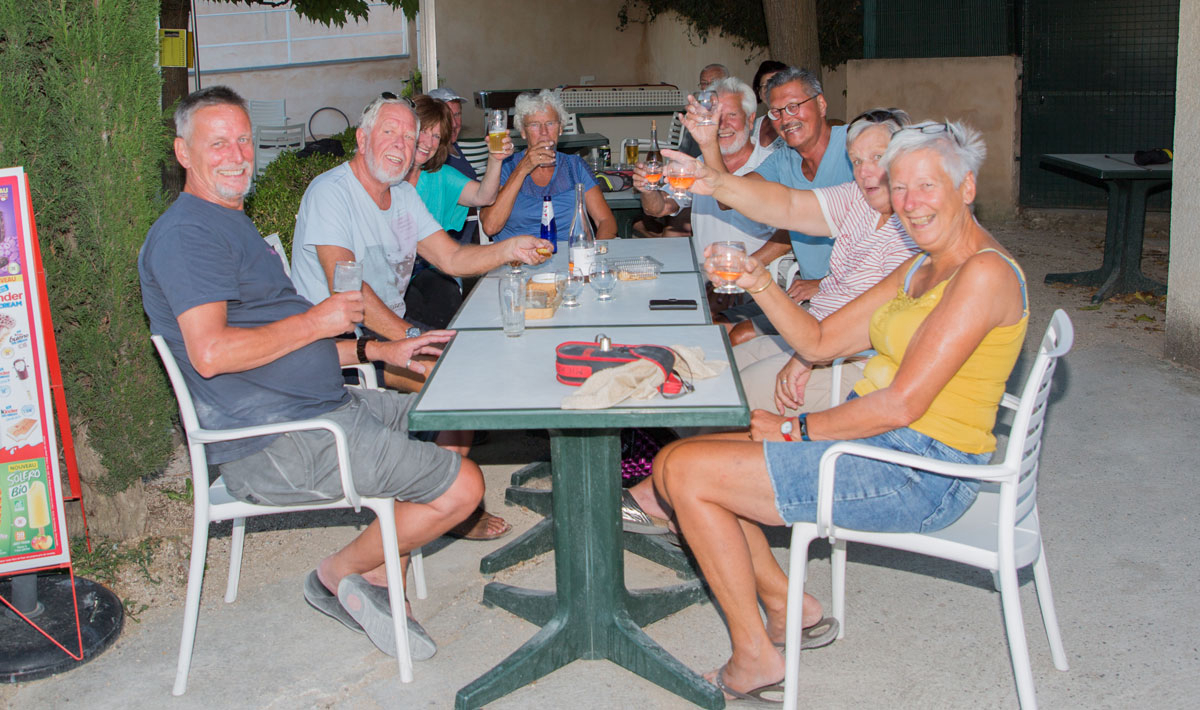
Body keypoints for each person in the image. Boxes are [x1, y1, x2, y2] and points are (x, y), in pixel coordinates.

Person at [655, 120, 1028, 701]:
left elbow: (903, 404)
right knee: (677, 459)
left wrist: (793, 428)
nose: (910, 203)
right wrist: (758, 280)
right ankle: (785, 609)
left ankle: (755, 656)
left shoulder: (982, 274)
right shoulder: (921, 265)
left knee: (685, 472)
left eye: (927, 187)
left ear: (968, 188)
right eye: (899, 188)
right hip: (881, 447)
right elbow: (822, 342)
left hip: (919, 471)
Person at [139, 86, 489, 660]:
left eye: (245, 141)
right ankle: (337, 575)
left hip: (324, 406)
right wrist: (318, 320)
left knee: (450, 414)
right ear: (183, 153)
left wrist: (379, 354)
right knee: (464, 486)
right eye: (218, 143)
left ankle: (380, 574)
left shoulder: (231, 224)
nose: (238, 155)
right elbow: (213, 353)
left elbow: (280, 347)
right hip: (273, 439)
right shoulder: (188, 235)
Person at [622, 108, 919, 537]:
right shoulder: (858, 197)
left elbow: (861, 328)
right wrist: (717, 181)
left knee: (728, 403)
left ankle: (676, 496)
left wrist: (802, 346)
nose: (866, 170)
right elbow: (788, 204)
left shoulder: (917, 231)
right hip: (812, 336)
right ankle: (698, 493)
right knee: (701, 378)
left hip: (853, 365)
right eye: (856, 160)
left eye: (878, 157)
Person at [291, 95, 551, 540]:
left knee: (477, 364)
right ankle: (445, 503)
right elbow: (346, 284)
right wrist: (411, 336)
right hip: (342, 348)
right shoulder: (330, 193)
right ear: (362, 138)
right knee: (458, 384)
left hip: (389, 335)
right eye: (389, 132)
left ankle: (444, 493)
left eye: (409, 138)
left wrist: (509, 249)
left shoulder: (404, 194)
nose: (401, 144)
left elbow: (450, 257)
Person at [717, 66, 855, 339]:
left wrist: (827, 282)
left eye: (794, 106)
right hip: (807, 295)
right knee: (716, 327)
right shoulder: (784, 160)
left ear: (822, 104)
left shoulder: (856, 148)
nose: (785, 119)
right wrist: (707, 140)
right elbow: (727, 198)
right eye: (777, 112)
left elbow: (887, 231)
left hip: (849, 299)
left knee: (737, 335)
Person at [632, 76, 784, 261]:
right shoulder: (697, 163)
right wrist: (647, 187)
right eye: (714, 116)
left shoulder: (771, 164)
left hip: (760, 277)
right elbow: (659, 208)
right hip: (707, 275)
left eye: (732, 115)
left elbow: (788, 236)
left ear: (750, 120)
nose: (722, 125)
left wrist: (748, 267)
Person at [403, 95, 511, 329]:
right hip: (391, 275)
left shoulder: (439, 176)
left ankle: (442, 353)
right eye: (424, 131)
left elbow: (485, 196)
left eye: (436, 136)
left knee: (441, 291)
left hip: (430, 267)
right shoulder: (385, 179)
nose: (429, 142)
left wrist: (495, 159)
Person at [480, 89, 617, 242]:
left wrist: (596, 252)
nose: (544, 132)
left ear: (560, 129)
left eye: (550, 123)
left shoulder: (575, 166)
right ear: (523, 132)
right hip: (517, 260)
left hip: (569, 259)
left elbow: (605, 221)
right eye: (534, 125)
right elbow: (490, 227)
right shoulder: (504, 166)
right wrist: (522, 169)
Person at [427, 86, 482, 243]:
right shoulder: (434, 157)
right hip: (449, 251)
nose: (454, 123)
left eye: (457, 115)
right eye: (447, 116)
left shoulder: (453, 147)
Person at [676, 63, 731, 158]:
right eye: (704, 83)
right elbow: (684, 151)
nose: (708, 87)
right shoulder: (696, 114)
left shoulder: (732, 113)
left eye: (714, 82)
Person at [750, 60, 787, 148]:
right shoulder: (753, 126)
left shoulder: (796, 124)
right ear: (759, 93)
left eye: (777, 84)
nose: (771, 90)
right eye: (766, 86)